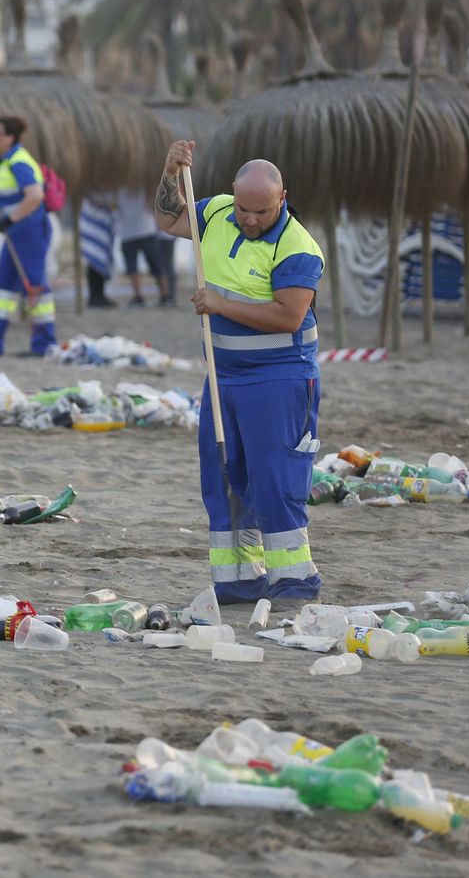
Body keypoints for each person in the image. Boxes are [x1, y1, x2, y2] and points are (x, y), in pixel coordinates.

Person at [155, 140, 324, 604]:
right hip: (223, 375)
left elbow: (288, 316)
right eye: (245, 209)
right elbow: (168, 220)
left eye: (262, 212)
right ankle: (238, 581)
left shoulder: (298, 248)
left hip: (280, 376)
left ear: (282, 199)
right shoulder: (215, 212)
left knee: (275, 479)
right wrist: (170, 175)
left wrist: (221, 303)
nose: (250, 219)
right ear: (233, 196)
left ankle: (294, 582)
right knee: (225, 475)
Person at [0, 116, 55, 355]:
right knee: (3, 287)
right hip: (15, 232)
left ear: (11, 137)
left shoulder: (18, 162)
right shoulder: (2, 163)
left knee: (34, 284)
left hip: (28, 230)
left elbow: (35, 196)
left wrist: (11, 218)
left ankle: (44, 343)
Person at [115, 186, 174, 306]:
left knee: (154, 265)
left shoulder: (144, 184)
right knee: (138, 267)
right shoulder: (120, 188)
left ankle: (163, 295)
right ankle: (146, 296)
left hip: (141, 230)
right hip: (133, 232)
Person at [80, 193, 117, 308]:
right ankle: (95, 296)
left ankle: (99, 295)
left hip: (101, 228)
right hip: (93, 227)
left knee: (99, 263)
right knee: (94, 263)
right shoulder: (90, 192)